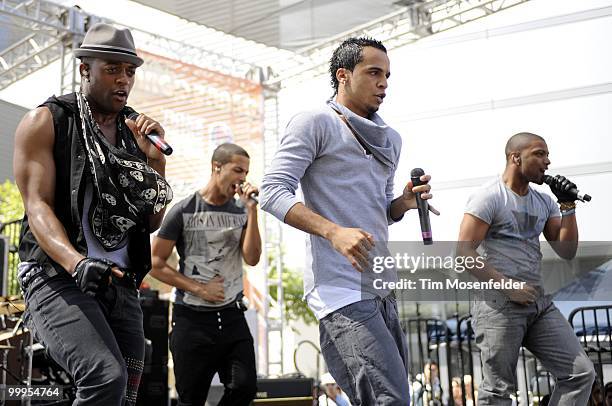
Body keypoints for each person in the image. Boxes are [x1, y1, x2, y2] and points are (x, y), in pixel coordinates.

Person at [261, 37, 437, 405]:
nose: (384, 83)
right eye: (374, 72)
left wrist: (402, 203)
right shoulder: (315, 122)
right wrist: (332, 231)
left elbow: (377, 212)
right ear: (343, 75)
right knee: (390, 400)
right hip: (340, 289)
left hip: (382, 288)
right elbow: (273, 192)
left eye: (387, 75)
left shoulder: (392, 139)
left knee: (388, 398)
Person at [13, 23, 172, 405]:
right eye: (112, 69)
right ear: (85, 69)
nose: (123, 80)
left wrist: (154, 164)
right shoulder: (48, 121)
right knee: (105, 378)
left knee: (128, 395)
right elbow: (38, 205)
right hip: (58, 274)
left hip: (120, 280)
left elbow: (151, 222)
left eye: (130, 72)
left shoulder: (134, 133)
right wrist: (76, 262)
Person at [457, 132, 595, 405]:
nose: (548, 161)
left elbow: (566, 251)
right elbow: (462, 253)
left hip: (538, 304)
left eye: (547, 154)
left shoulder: (543, 202)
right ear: (515, 158)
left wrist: (567, 206)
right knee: (497, 392)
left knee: (580, 374)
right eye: (539, 154)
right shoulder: (490, 197)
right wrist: (509, 286)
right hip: (499, 307)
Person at [150, 142, 261, 405]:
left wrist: (252, 211)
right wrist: (200, 289)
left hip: (233, 315)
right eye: (237, 170)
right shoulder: (185, 209)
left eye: (245, 172)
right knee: (191, 399)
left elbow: (253, 258)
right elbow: (155, 262)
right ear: (216, 167)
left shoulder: (242, 211)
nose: (242, 178)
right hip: (192, 319)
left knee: (244, 388)